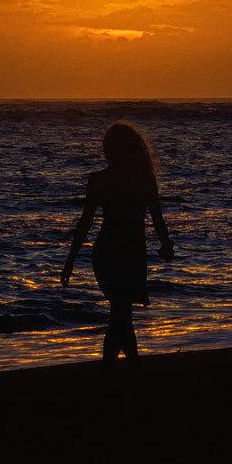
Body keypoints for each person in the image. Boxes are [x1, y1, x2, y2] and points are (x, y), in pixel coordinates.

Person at [60, 122, 176, 362]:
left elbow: (86, 223)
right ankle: (127, 368)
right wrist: (165, 245)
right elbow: (86, 221)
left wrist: (71, 259)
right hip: (123, 253)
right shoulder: (139, 179)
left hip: (115, 253)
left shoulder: (105, 180)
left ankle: (118, 370)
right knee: (121, 312)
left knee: (121, 313)